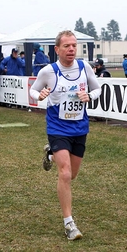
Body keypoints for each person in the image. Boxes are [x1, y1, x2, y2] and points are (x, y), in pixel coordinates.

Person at [30, 30, 101, 241]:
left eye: (74, 45)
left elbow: (97, 89)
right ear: (57, 49)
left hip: (80, 128)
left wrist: (89, 95)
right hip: (57, 128)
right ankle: (69, 223)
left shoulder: (83, 67)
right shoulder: (48, 71)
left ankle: (50, 155)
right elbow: (33, 90)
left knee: (73, 174)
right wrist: (39, 95)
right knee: (65, 173)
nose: (71, 49)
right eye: (67, 46)